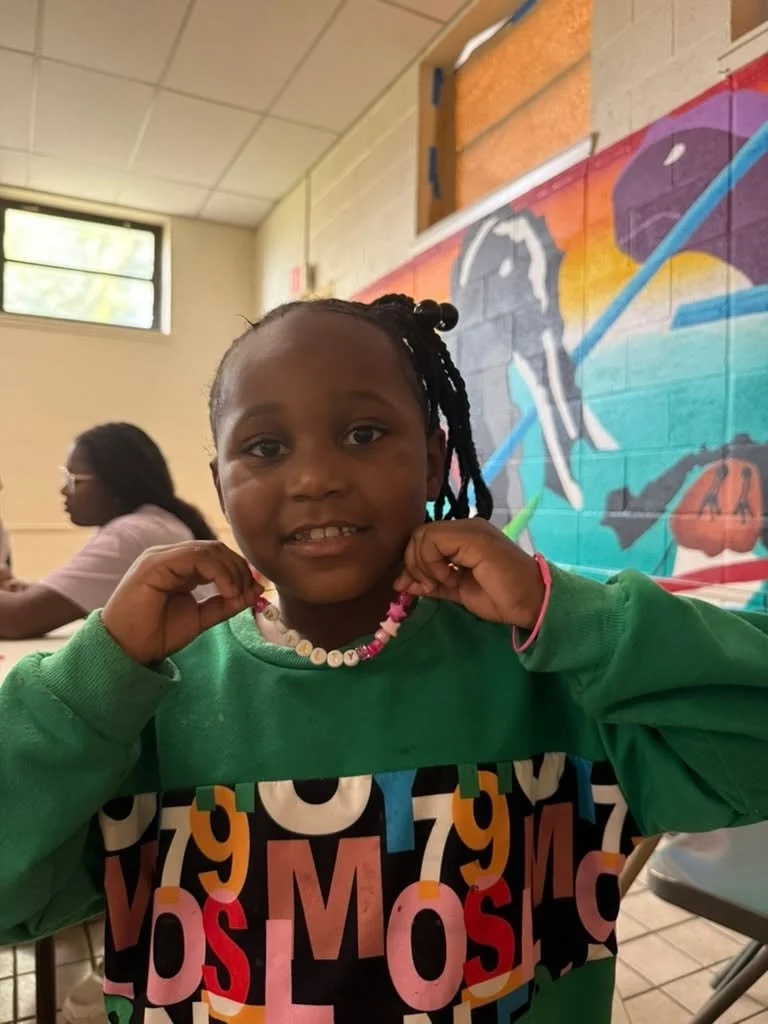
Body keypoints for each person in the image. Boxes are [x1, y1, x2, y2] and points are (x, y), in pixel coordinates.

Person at [0, 295, 767, 1024]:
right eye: (265, 448)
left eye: (364, 434)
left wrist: (568, 613)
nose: (314, 478)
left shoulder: (553, 674)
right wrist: (90, 679)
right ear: (220, 488)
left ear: (434, 460)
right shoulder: (141, 707)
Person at [0, 423, 216, 639]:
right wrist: (35, 592)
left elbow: (14, 620)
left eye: (73, 480)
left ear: (115, 483)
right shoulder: (153, 523)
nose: (64, 490)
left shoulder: (130, 535)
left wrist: (25, 601)